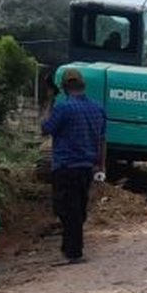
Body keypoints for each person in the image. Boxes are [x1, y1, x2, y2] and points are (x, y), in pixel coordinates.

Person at [41, 68, 107, 265]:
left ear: (64, 87)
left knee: (66, 210)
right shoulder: (98, 108)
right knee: (78, 208)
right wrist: (101, 166)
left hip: (65, 167)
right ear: (83, 85)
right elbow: (102, 140)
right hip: (87, 168)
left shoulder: (63, 108)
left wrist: (49, 100)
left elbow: (45, 128)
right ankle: (71, 247)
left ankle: (73, 252)